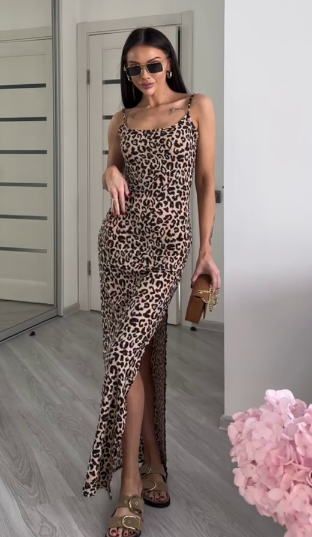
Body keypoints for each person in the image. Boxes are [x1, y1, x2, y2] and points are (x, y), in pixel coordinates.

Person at [83, 27, 221, 537]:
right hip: (119, 243)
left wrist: (205, 250)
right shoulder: (122, 119)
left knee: (122, 357)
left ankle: (128, 486)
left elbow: (205, 181)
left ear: (170, 63)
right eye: (134, 68)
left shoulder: (196, 107)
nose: (144, 75)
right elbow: (114, 169)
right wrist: (108, 174)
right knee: (133, 356)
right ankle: (150, 468)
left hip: (167, 247)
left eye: (153, 65)